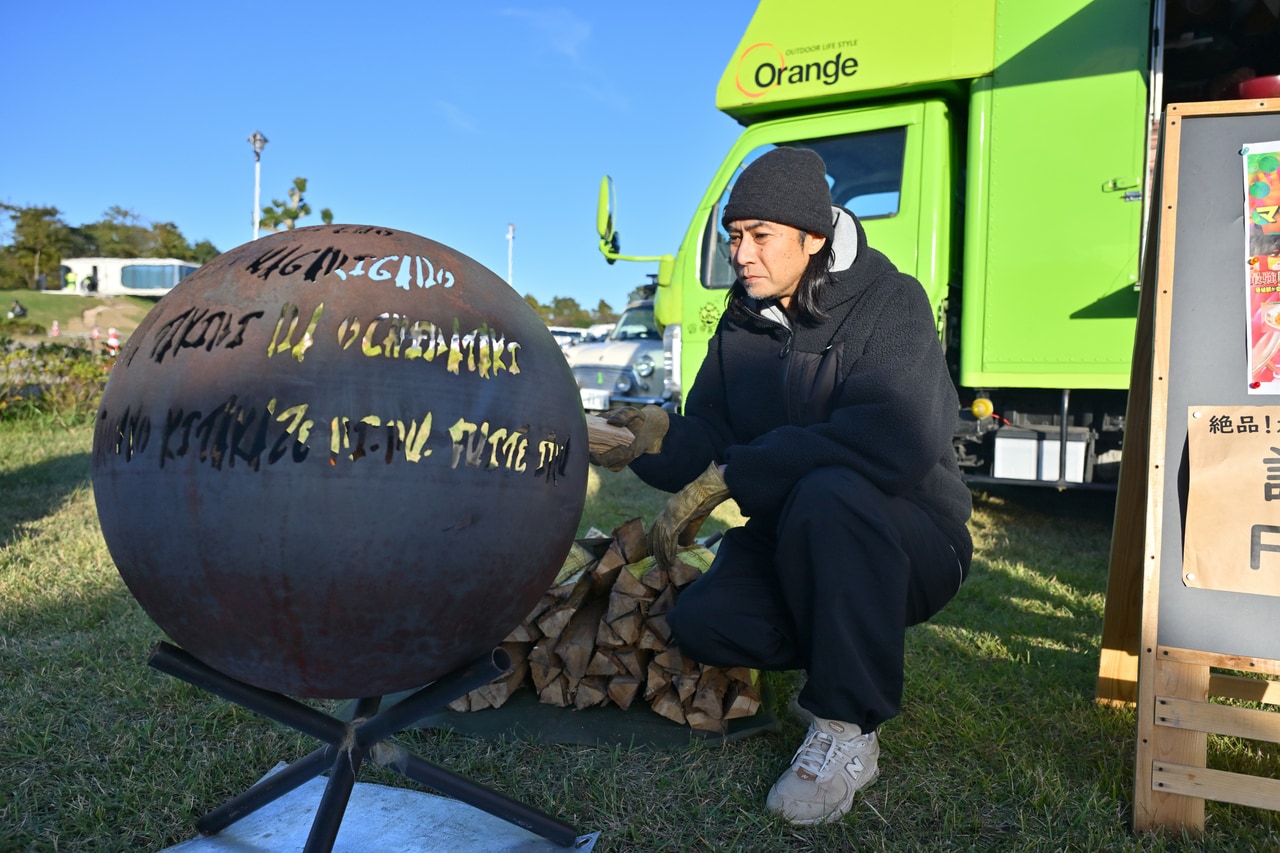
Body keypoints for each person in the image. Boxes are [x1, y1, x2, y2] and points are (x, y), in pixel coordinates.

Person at [590, 147, 973, 826]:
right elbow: (711, 433)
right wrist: (653, 440)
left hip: (910, 538)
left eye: (760, 235)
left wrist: (738, 472)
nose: (741, 254)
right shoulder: (741, 324)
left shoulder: (892, 301)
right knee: (706, 623)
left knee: (829, 492)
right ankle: (840, 630)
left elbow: (894, 439)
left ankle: (846, 725)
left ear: (813, 237)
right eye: (735, 237)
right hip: (796, 535)